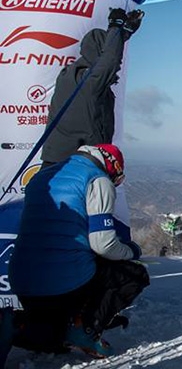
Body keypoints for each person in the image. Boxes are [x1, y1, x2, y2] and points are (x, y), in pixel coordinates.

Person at [7, 143, 149, 358]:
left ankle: (25, 326)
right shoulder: (97, 180)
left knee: (49, 340)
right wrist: (132, 251)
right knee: (131, 275)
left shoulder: (42, 176)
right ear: (112, 165)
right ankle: (84, 330)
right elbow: (104, 244)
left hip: (21, 278)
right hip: (64, 282)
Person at [40, 8, 144, 168]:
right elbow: (110, 60)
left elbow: (107, 58)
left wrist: (123, 33)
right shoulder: (91, 82)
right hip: (79, 164)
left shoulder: (68, 75)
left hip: (54, 161)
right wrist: (116, 26)